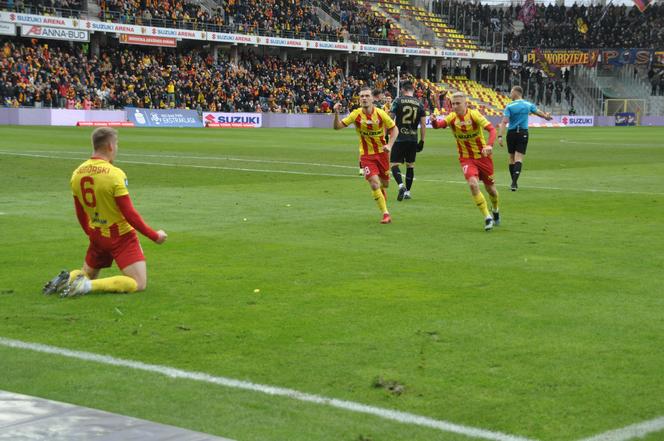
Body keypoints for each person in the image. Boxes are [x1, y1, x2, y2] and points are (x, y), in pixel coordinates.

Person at [43, 128, 167, 297]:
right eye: (116, 144)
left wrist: (92, 234)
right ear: (109, 145)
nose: (117, 148)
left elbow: (80, 213)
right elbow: (129, 214)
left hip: (96, 233)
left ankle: (68, 278)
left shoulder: (77, 173)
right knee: (138, 282)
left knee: (88, 274)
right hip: (120, 235)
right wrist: (155, 236)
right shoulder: (115, 174)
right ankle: (85, 287)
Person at [431, 92, 500, 231]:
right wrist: (433, 120)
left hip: (483, 157)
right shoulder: (452, 117)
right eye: (453, 104)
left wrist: (489, 145)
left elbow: (492, 130)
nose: (455, 106)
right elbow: (438, 125)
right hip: (466, 158)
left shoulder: (474, 115)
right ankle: (487, 217)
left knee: (491, 190)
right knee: (473, 185)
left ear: (465, 104)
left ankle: (496, 210)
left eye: (458, 103)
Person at [334, 86, 399, 224]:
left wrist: (389, 145)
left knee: (385, 184)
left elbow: (394, 129)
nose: (364, 98)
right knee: (374, 183)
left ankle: (381, 194)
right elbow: (337, 126)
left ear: (372, 99)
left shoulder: (381, 114)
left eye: (366, 96)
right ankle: (385, 214)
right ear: (359, 99)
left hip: (382, 154)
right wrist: (336, 113)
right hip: (366, 156)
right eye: (361, 96)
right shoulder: (356, 114)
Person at [497, 86, 552, 191]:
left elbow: (504, 122)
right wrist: (546, 116)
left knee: (511, 158)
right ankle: (514, 183)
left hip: (512, 133)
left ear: (516, 93)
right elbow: (539, 113)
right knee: (519, 158)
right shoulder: (528, 104)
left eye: (511, 92)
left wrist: (500, 136)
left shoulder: (510, 106)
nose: (510, 94)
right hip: (523, 133)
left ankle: (513, 182)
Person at [389, 81, 426, 201]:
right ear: (412, 91)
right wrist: (422, 141)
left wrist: (386, 134)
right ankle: (408, 192)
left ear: (403, 90)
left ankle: (401, 186)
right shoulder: (420, 104)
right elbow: (423, 124)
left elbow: (391, 118)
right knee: (410, 165)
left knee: (394, 164)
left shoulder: (397, 101)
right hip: (413, 138)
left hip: (399, 137)